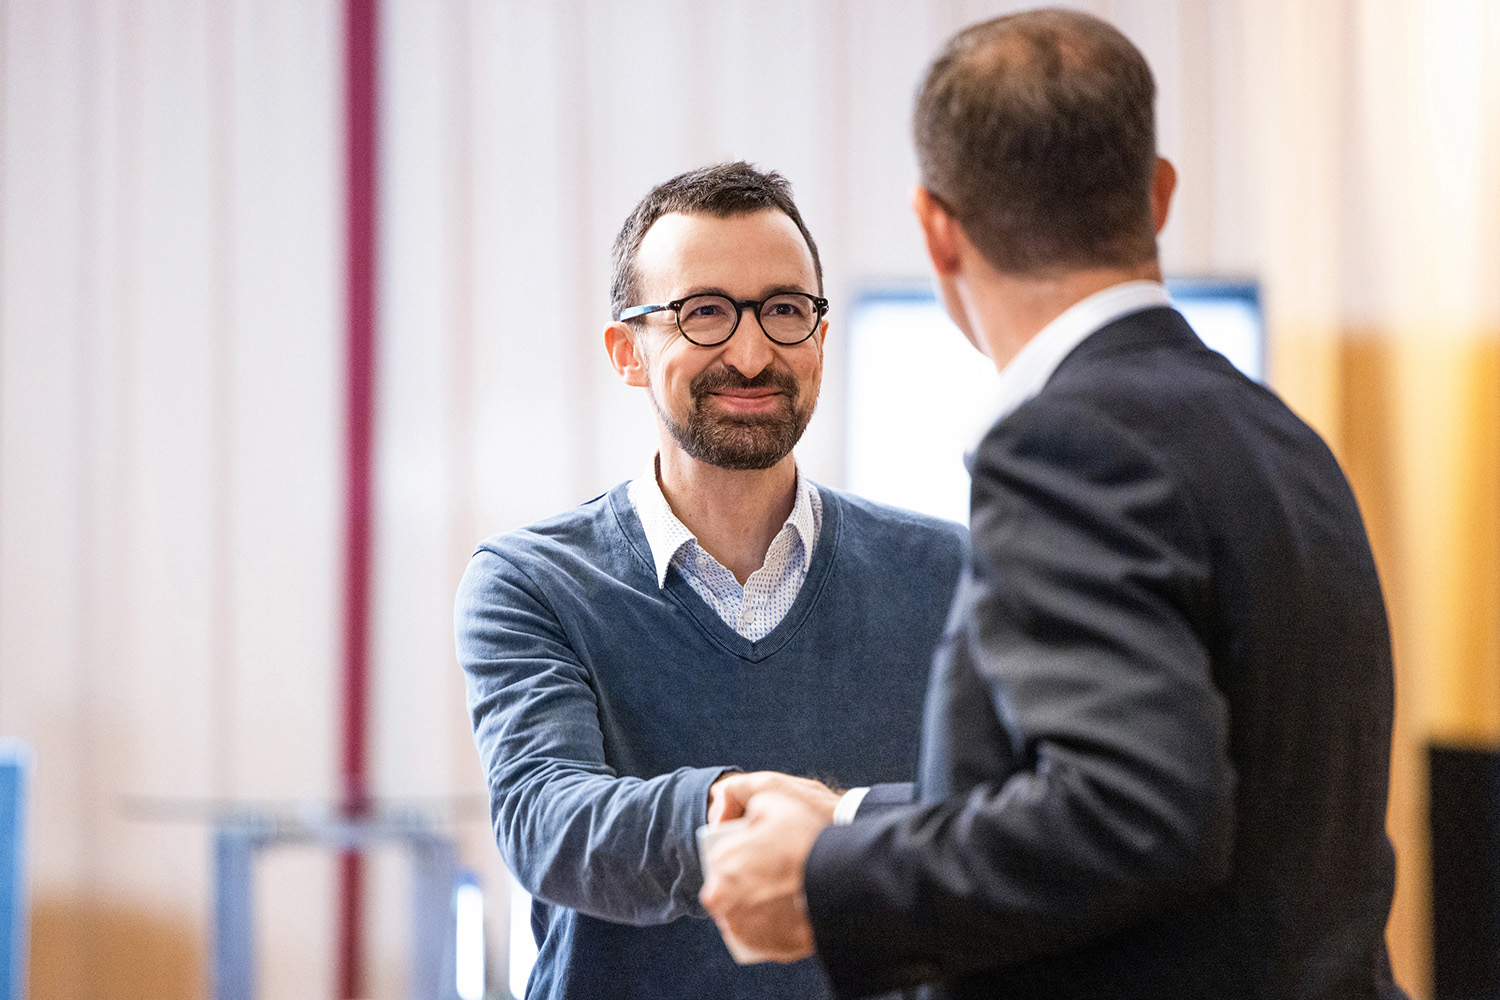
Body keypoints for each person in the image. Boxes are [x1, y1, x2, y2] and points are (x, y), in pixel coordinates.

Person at [700, 11, 1408, 1000]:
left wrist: (825, 882)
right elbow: (1210, 793)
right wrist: (850, 817)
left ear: (936, 229)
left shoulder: (1065, 442)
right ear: (1158, 194)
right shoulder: (1282, 436)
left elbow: (1132, 812)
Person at [455, 161, 968, 1000]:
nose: (752, 352)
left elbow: (1004, 816)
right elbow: (548, 823)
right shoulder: (531, 584)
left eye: (785, 310)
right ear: (628, 352)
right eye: (703, 313)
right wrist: (752, 809)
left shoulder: (949, 574)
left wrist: (832, 826)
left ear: (820, 338)